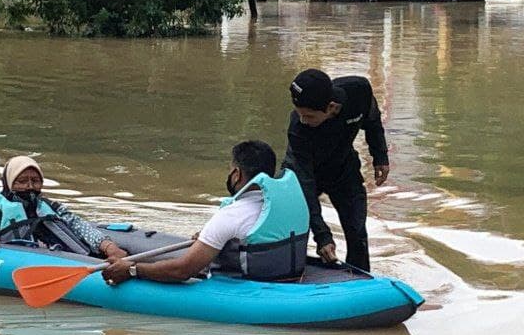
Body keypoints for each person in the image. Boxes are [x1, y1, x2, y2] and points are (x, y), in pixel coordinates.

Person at [102, 140, 308, 286]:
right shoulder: (293, 203)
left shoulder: (231, 215)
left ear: (236, 174)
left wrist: (132, 269)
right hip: (289, 275)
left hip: (246, 287)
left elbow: (182, 271)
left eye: (231, 169)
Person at [282, 69, 389, 272]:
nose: (303, 120)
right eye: (299, 113)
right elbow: (305, 183)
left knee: (357, 232)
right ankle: (291, 275)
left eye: (309, 116)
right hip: (303, 173)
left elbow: (373, 120)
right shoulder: (298, 128)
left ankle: (360, 281)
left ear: (331, 107)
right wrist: (323, 236)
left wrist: (380, 157)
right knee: (294, 228)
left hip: (343, 168)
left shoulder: (359, 91)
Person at [0, 156, 128, 259]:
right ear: (9, 184)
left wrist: (109, 247)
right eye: (22, 181)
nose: (30, 186)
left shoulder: (50, 207)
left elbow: (80, 226)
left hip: (70, 257)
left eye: (35, 181)